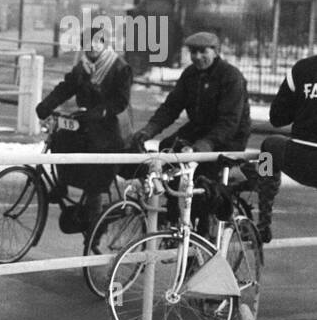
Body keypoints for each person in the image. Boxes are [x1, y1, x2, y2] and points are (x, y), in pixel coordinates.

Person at [129, 30, 251, 234]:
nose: (197, 57)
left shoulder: (230, 77)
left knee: (203, 176)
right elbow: (171, 107)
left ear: (215, 51)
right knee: (167, 147)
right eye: (193, 52)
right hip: (200, 130)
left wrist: (203, 146)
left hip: (229, 138)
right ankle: (176, 210)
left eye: (203, 51)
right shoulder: (190, 74)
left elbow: (229, 122)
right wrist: (148, 131)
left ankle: (202, 231)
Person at [35, 23, 133, 233]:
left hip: (111, 128)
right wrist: (46, 105)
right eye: (86, 43)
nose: (91, 47)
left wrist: (100, 112)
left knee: (94, 168)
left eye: (96, 42)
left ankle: (95, 220)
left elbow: (121, 102)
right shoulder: (83, 67)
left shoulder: (120, 67)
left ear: (104, 43)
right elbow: (66, 88)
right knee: (61, 136)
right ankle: (61, 183)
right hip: (87, 121)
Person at [255, 52, 317, 242]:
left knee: (268, 146)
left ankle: (263, 218)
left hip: (301, 158)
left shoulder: (302, 69)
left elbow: (277, 118)